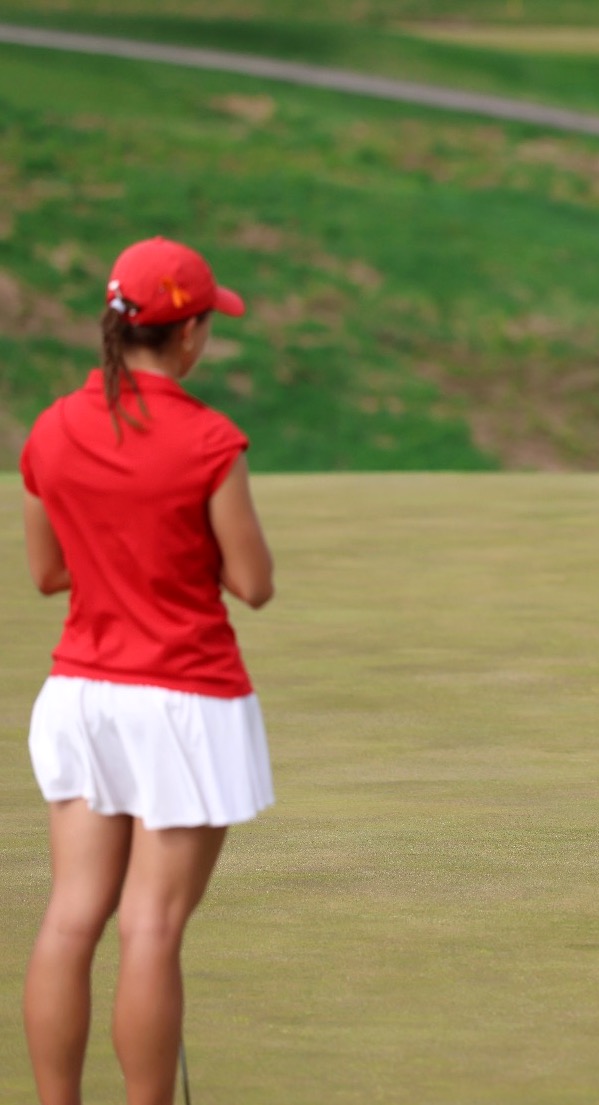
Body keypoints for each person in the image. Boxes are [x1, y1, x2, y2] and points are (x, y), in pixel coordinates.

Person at [18, 237, 275, 1105]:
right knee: (151, 927)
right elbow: (254, 583)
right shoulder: (210, 440)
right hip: (184, 697)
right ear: (191, 332)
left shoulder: (52, 428)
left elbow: (49, 572)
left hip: (82, 696)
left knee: (71, 915)